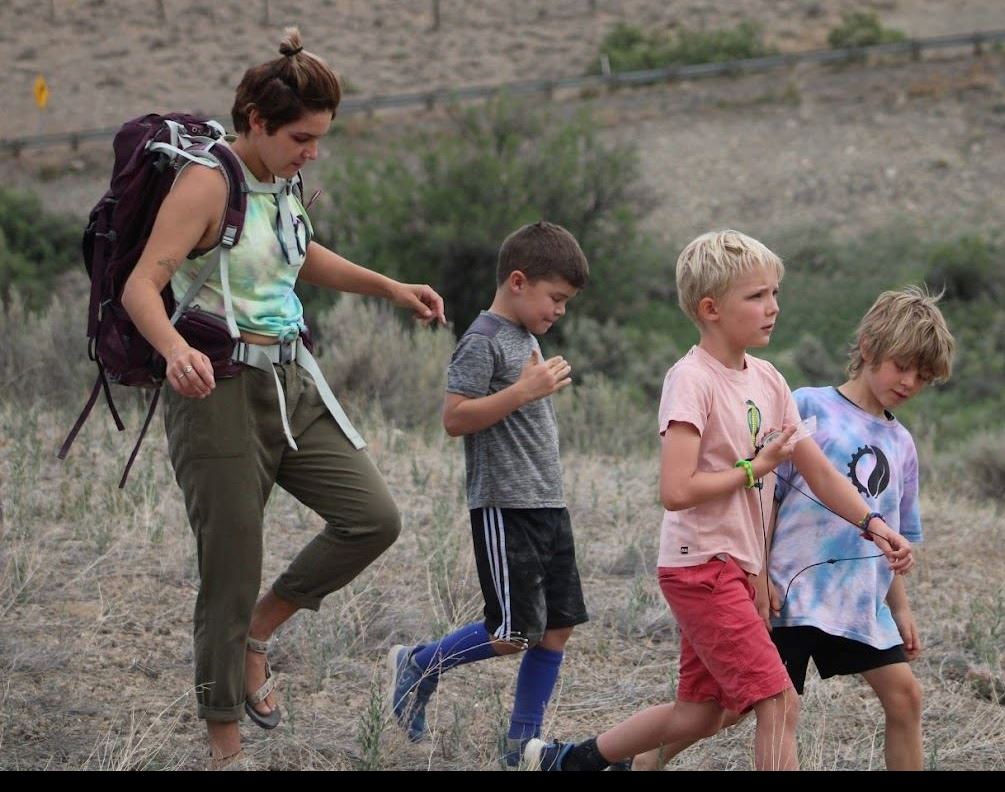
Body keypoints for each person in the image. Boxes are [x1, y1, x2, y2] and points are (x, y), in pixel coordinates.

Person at [121, 28, 445, 770]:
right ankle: (224, 743)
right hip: (217, 389)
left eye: (320, 138)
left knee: (372, 518)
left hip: (291, 380)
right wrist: (174, 353)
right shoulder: (207, 182)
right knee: (228, 571)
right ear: (257, 124)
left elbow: (298, 256)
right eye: (302, 137)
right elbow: (141, 283)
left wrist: (388, 286)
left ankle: (260, 633)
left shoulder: (282, 175)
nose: (313, 151)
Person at [521, 229, 913, 771]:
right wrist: (755, 468)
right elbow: (676, 491)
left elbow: (819, 473)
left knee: (703, 713)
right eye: (756, 297)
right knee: (778, 701)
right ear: (710, 308)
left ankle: (571, 762)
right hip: (700, 567)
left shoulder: (770, 379)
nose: (772, 308)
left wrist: (873, 522)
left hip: (736, 567)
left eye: (774, 293)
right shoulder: (691, 380)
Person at [385, 221, 589, 767]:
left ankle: (521, 745)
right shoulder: (480, 341)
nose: (560, 311)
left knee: (557, 627)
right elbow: (455, 418)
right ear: (518, 281)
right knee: (514, 631)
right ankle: (419, 664)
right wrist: (526, 391)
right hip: (505, 504)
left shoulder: (525, 335)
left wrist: (529, 391)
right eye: (556, 298)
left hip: (548, 502)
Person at [764, 286, 954, 770]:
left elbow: (897, 534)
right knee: (734, 711)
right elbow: (767, 498)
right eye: (901, 365)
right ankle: (642, 758)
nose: (910, 382)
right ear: (869, 347)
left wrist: (901, 607)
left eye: (923, 375)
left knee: (906, 697)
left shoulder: (903, 443)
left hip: (859, 602)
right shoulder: (808, 405)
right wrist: (759, 572)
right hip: (791, 593)